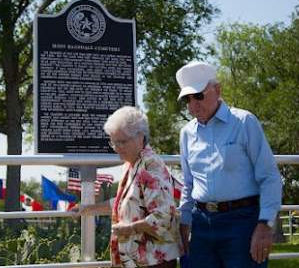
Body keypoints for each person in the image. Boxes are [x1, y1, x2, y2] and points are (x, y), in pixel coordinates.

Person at [176, 61, 283, 268]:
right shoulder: (186, 133)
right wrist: (184, 220)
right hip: (200, 225)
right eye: (187, 99)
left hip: (243, 223)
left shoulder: (244, 122)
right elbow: (188, 183)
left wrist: (265, 224)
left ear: (217, 90)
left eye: (198, 96)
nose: (193, 104)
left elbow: (269, 176)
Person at [77, 106, 183, 268]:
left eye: (122, 141)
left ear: (140, 137)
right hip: (137, 260)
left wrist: (129, 229)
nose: (117, 147)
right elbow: (123, 203)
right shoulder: (131, 164)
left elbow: (163, 216)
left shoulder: (150, 165)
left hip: (153, 261)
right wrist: (87, 209)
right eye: (113, 142)